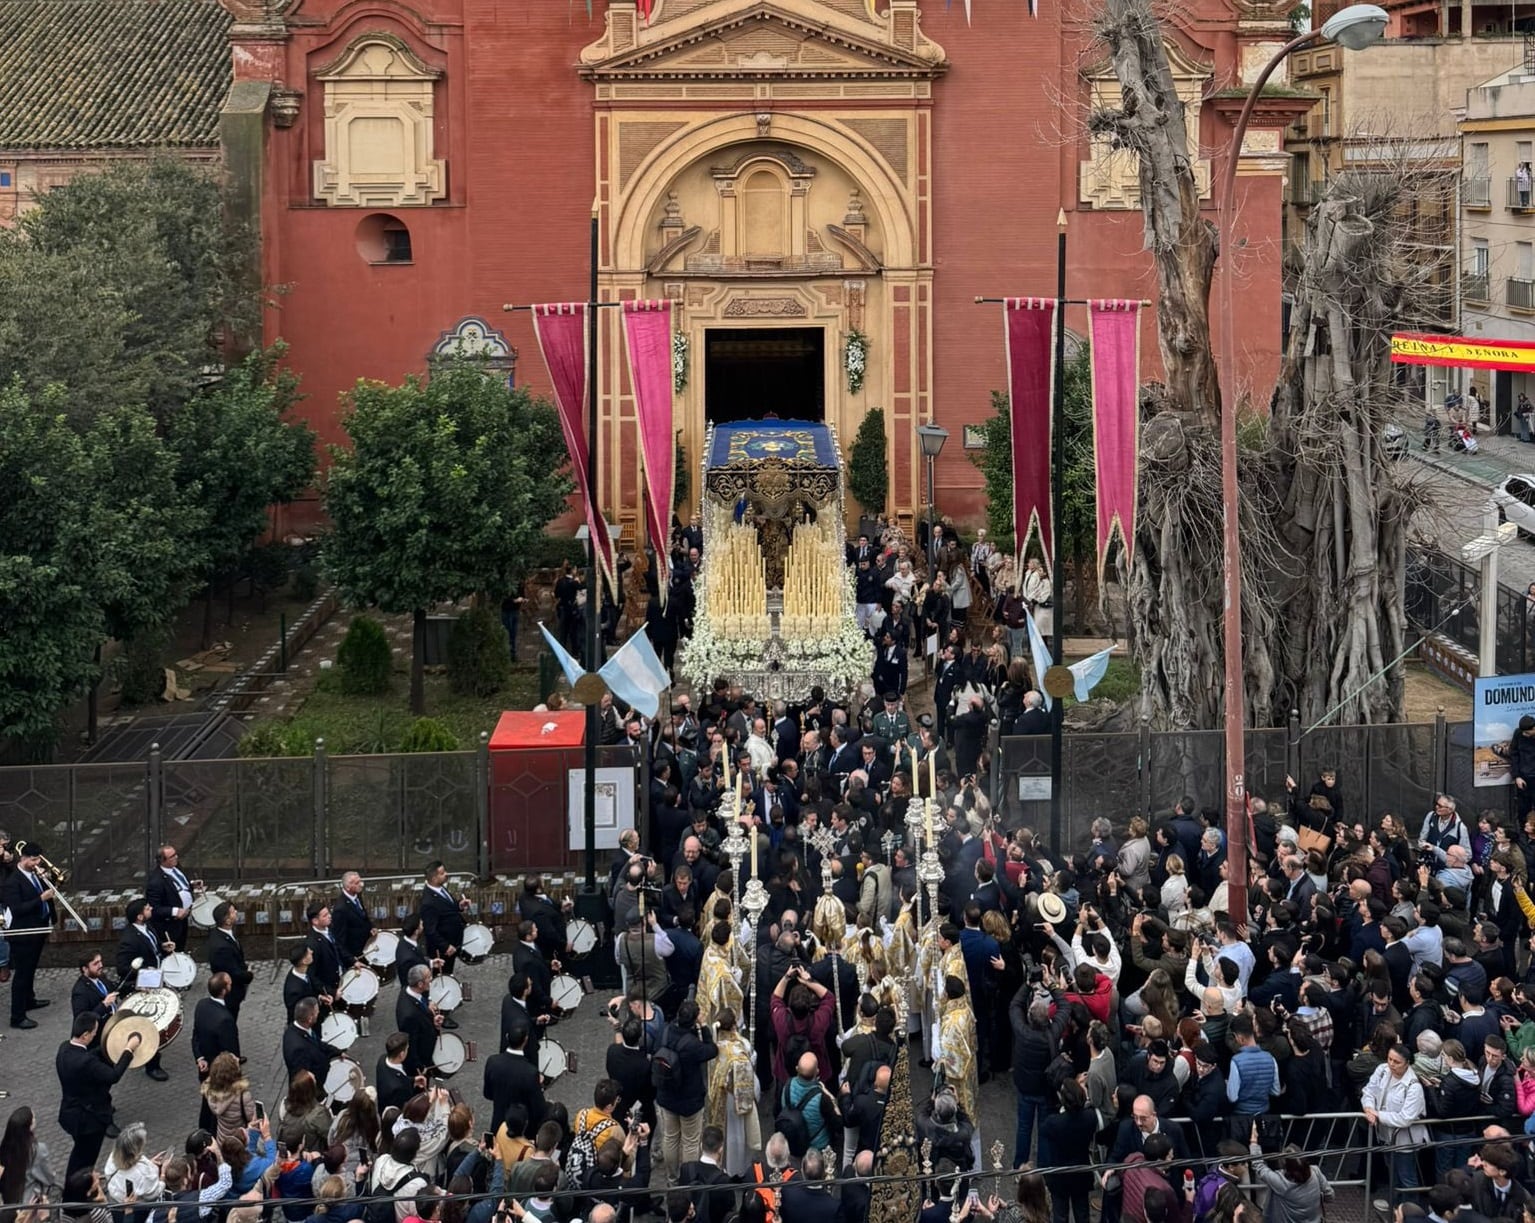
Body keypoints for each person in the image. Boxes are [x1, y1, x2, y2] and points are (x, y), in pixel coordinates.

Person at [56, 1012, 141, 1177]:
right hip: (88, 1120)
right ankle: (80, 1186)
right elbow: (113, 1076)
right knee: (85, 1157)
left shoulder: (65, 1048)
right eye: (94, 1032)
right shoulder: (87, 1063)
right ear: (85, 1035)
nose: (95, 1034)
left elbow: (89, 1056)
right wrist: (128, 1050)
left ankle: (83, 1179)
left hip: (70, 1113)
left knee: (80, 1153)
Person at [655, 998, 719, 1175]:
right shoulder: (692, 1044)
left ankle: (672, 1177)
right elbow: (712, 1050)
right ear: (694, 1020)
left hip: (666, 1095)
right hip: (689, 1101)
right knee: (690, 1142)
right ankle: (688, 1179)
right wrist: (704, 1026)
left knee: (670, 1137)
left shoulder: (665, 1031)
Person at [1361, 1042, 1427, 1205]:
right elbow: (1369, 1090)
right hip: (1385, 1136)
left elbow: (1405, 1117)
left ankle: (1411, 1212)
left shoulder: (1413, 1087)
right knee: (1393, 1173)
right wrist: (1368, 1108)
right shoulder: (1382, 1071)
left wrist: (1378, 1115)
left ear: (1407, 1064)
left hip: (1405, 1141)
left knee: (1407, 1178)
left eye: (1396, 1062)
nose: (1391, 1064)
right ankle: (1397, 1209)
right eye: (1390, 1059)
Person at [1, 841, 54, 1030]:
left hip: (37, 928)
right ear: (23, 859)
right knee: (22, 974)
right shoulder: (12, 882)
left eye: (38, 859)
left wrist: (48, 880)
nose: (37, 863)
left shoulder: (33, 874)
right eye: (33, 860)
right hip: (23, 933)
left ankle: (29, 999)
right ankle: (17, 1016)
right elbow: (17, 909)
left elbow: (42, 889)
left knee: (31, 969)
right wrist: (41, 899)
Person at [206, 902, 254, 1018]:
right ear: (227, 921)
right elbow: (233, 972)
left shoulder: (222, 934)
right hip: (231, 992)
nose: (236, 912)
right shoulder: (222, 947)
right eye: (232, 912)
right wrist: (248, 975)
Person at [421, 861, 468, 977]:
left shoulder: (441, 889)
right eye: (442, 873)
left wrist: (459, 905)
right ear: (434, 878)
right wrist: (445, 946)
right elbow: (430, 930)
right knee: (442, 976)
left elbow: (448, 907)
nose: (446, 874)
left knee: (449, 972)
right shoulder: (428, 902)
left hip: (452, 942)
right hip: (442, 949)